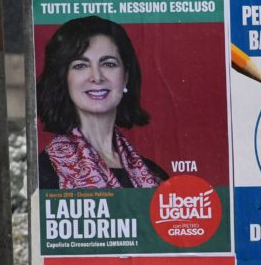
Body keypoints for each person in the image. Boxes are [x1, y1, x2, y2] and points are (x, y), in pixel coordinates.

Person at [36, 16, 168, 190]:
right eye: (80, 66)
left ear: (126, 77)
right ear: (64, 78)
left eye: (109, 64)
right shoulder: (44, 171)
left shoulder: (154, 175)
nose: (97, 77)